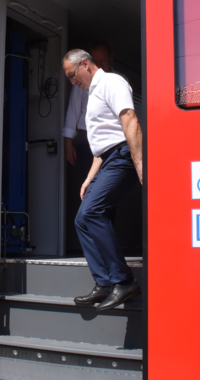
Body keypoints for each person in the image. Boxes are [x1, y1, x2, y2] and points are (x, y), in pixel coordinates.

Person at [62, 49, 143, 311]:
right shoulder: (92, 92)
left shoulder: (111, 82)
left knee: (92, 212)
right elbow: (101, 145)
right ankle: (105, 283)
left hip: (122, 156)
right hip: (107, 158)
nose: (72, 82)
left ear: (85, 64)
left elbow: (129, 119)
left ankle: (124, 280)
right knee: (81, 219)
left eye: (72, 75)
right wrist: (88, 179)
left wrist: (139, 162)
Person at [63, 41, 117, 178]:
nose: (99, 63)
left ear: (111, 57)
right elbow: (73, 110)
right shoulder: (81, 83)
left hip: (111, 139)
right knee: (89, 180)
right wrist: (68, 142)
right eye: (96, 60)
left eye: (102, 60)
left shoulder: (119, 81)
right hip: (86, 139)